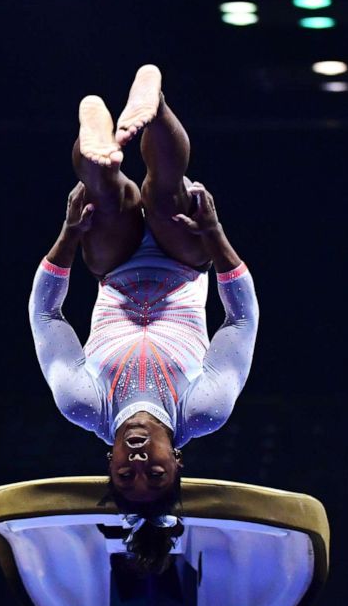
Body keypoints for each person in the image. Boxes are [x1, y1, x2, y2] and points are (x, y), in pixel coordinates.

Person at [28, 65, 259, 574]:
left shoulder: (83, 403)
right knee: (164, 195)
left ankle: (98, 143)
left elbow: (46, 316)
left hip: (113, 266)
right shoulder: (203, 408)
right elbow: (240, 323)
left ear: (106, 466)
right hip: (183, 264)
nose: (138, 465)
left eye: (125, 477)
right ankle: (153, 107)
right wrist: (215, 232)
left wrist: (68, 234)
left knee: (106, 198)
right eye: (155, 477)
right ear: (178, 464)